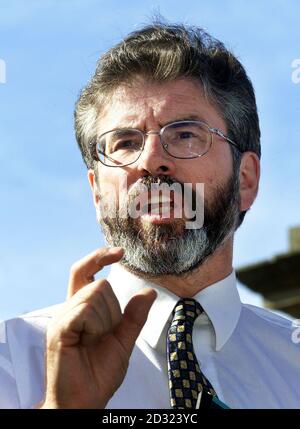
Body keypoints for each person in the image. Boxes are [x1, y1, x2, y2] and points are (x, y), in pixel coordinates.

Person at [1, 21, 300, 410]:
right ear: (96, 191)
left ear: (245, 180)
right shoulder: (12, 362)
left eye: (186, 134)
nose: (151, 161)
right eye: (125, 143)